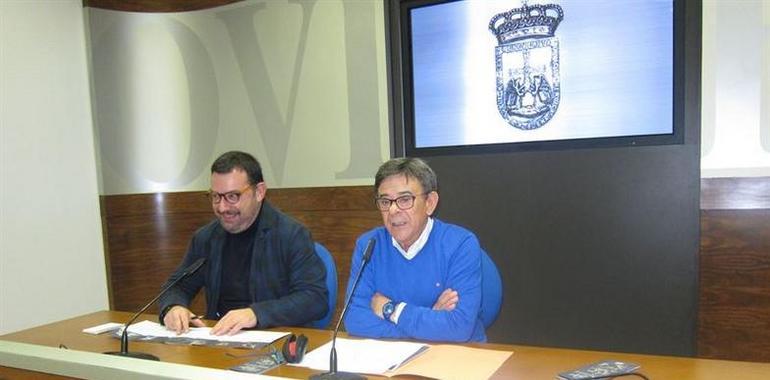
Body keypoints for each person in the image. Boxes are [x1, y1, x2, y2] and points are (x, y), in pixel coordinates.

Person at [158, 151, 327, 335]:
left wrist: (256, 314)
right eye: (215, 196)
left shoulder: (291, 235)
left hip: (273, 341)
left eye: (232, 196)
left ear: (259, 192)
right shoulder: (206, 238)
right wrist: (172, 308)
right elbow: (177, 286)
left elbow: (314, 299)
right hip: (218, 340)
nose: (222, 208)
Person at [343, 157, 486, 342]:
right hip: (388, 356)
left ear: (430, 203)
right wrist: (429, 324)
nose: (393, 210)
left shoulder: (460, 244)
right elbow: (354, 320)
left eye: (404, 199)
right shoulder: (369, 244)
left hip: (457, 355)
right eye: (385, 202)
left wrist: (391, 310)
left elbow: (458, 327)